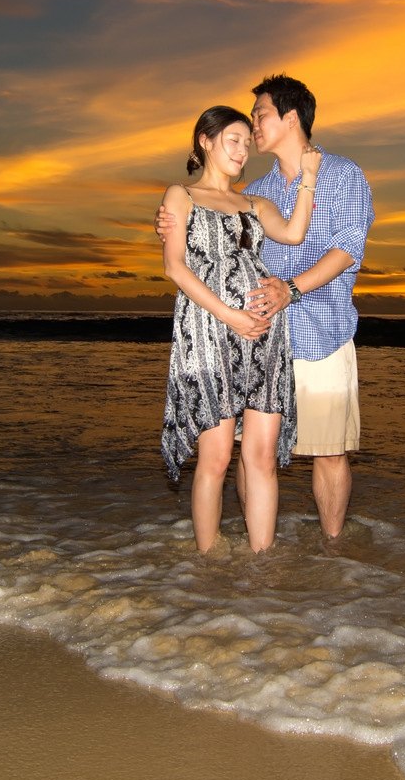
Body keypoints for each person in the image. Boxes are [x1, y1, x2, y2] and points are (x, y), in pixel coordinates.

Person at [159, 75, 374, 541]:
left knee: (330, 451)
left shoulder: (343, 175)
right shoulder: (253, 190)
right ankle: (246, 568)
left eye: (259, 116)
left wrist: (291, 290)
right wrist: (176, 223)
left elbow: (346, 249)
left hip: (320, 330)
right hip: (254, 340)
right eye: (239, 130)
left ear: (290, 118)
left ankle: (334, 553)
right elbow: (209, 253)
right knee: (243, 452)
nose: (252, 129)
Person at [160, 105, 321, 554]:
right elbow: (175, 267)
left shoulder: (256, 203)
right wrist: (230, 315)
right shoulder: (180, 196)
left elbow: (293, 234)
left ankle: (262, 564)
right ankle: (208, 563)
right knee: (214, 459)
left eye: (247, 143)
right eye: (233, 140)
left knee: (262, 457)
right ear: (204, 141)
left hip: (266, 339)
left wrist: (307, 176)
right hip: (210, 338)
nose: (242, 150)